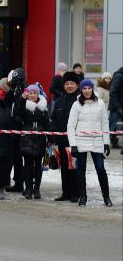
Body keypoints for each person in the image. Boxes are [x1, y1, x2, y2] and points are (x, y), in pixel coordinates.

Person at [67, 80, 112, 207]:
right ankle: (83, 196)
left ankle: (106, 197)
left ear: (92, 89)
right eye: (84, 88)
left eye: (89, 88)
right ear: (81, 90)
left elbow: (105, 123)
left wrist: (106, 142)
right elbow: (70, 126)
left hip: (97, 140)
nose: (86, 90)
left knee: (101, 169)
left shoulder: (100, 103)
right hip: (80, 141)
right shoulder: (76, 105)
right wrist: (73, 145)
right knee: (81, 170)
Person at [50, 71, 81, 202]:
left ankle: (76, 193)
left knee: (74, 167)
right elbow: (54, 120)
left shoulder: (80, 101)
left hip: (76, 141)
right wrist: (52, 137)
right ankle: (66, 192)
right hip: (61, 141)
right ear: (63, 86)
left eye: (72, 83)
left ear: (77, 85)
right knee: (63, 167)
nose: (69, 86)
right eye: (67, 83)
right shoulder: (59, 101)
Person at [17, 84, 50, 200]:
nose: (32, 95)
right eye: (31, 93)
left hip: (39, 139)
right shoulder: (24, 106)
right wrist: (22, 98)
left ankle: (37, 189)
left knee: (38, 167)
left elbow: (47, 124)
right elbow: (19, 110)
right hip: (27, 139)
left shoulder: (43, 108)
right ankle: (28, 189)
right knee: (27, 165)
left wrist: (51, 139)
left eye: (35, 93)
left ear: (38, 95)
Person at [4, 67, 28, 192]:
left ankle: (25, 184)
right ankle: (18, 182)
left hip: (22, 127)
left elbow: (21, 109)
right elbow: (8, 102)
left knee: (25, 157)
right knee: (16, 156)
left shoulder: (25, 90)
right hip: (15, 127)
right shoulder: (16, 90)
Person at [109, 67, 123, 152]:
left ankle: (115, 143)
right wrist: (118, 107)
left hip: (120, 105)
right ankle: (106, 145)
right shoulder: (119, 76)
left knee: (112, 126)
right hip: (116, 106)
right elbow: (113, 92)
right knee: (111, 126)